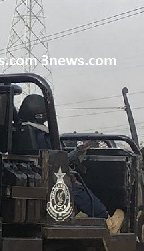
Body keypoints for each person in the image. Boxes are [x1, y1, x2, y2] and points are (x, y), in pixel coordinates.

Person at [17, 95, 124, 233]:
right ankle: (106, 220)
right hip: (50, 179)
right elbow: (55, 160)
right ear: (41, 114)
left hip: (34, 174)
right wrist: (77, 152)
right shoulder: (42, 135)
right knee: (77, 188)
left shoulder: (21, 130)